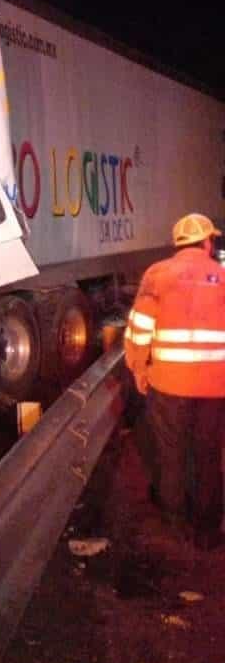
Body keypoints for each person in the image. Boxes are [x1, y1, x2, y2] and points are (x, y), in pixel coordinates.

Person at [124, 212, 225, 550]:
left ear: (177, 243)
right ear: (208, 242)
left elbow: (140, 328)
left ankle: (175, 524)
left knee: (171, 452)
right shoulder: (222, 277)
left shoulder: (158, 275)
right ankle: (208, 529)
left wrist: (139, 367)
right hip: (214, 387)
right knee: (208, 454)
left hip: (168, 384)